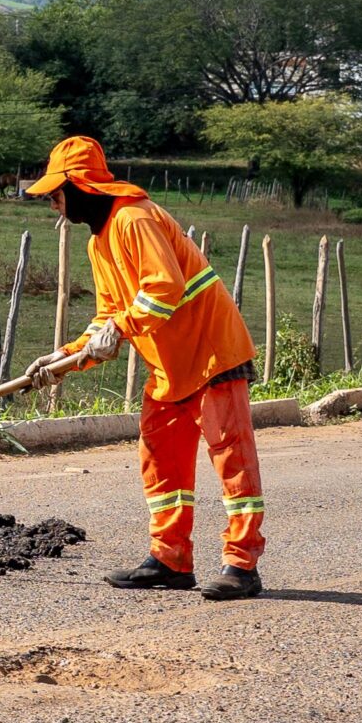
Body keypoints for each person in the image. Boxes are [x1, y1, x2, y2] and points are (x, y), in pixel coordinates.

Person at [22, 135, 263, 599]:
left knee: (232, 464)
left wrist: (122, 327)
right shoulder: (99, 244)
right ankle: (171, 561)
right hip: (170, 366)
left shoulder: (134, 218)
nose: (52, 203)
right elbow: (108, 316)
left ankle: (242, 565)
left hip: (212, 355)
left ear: (80, 186)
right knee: (161, 463)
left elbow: (164, 288)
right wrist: (67, 356)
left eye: (55, 193)